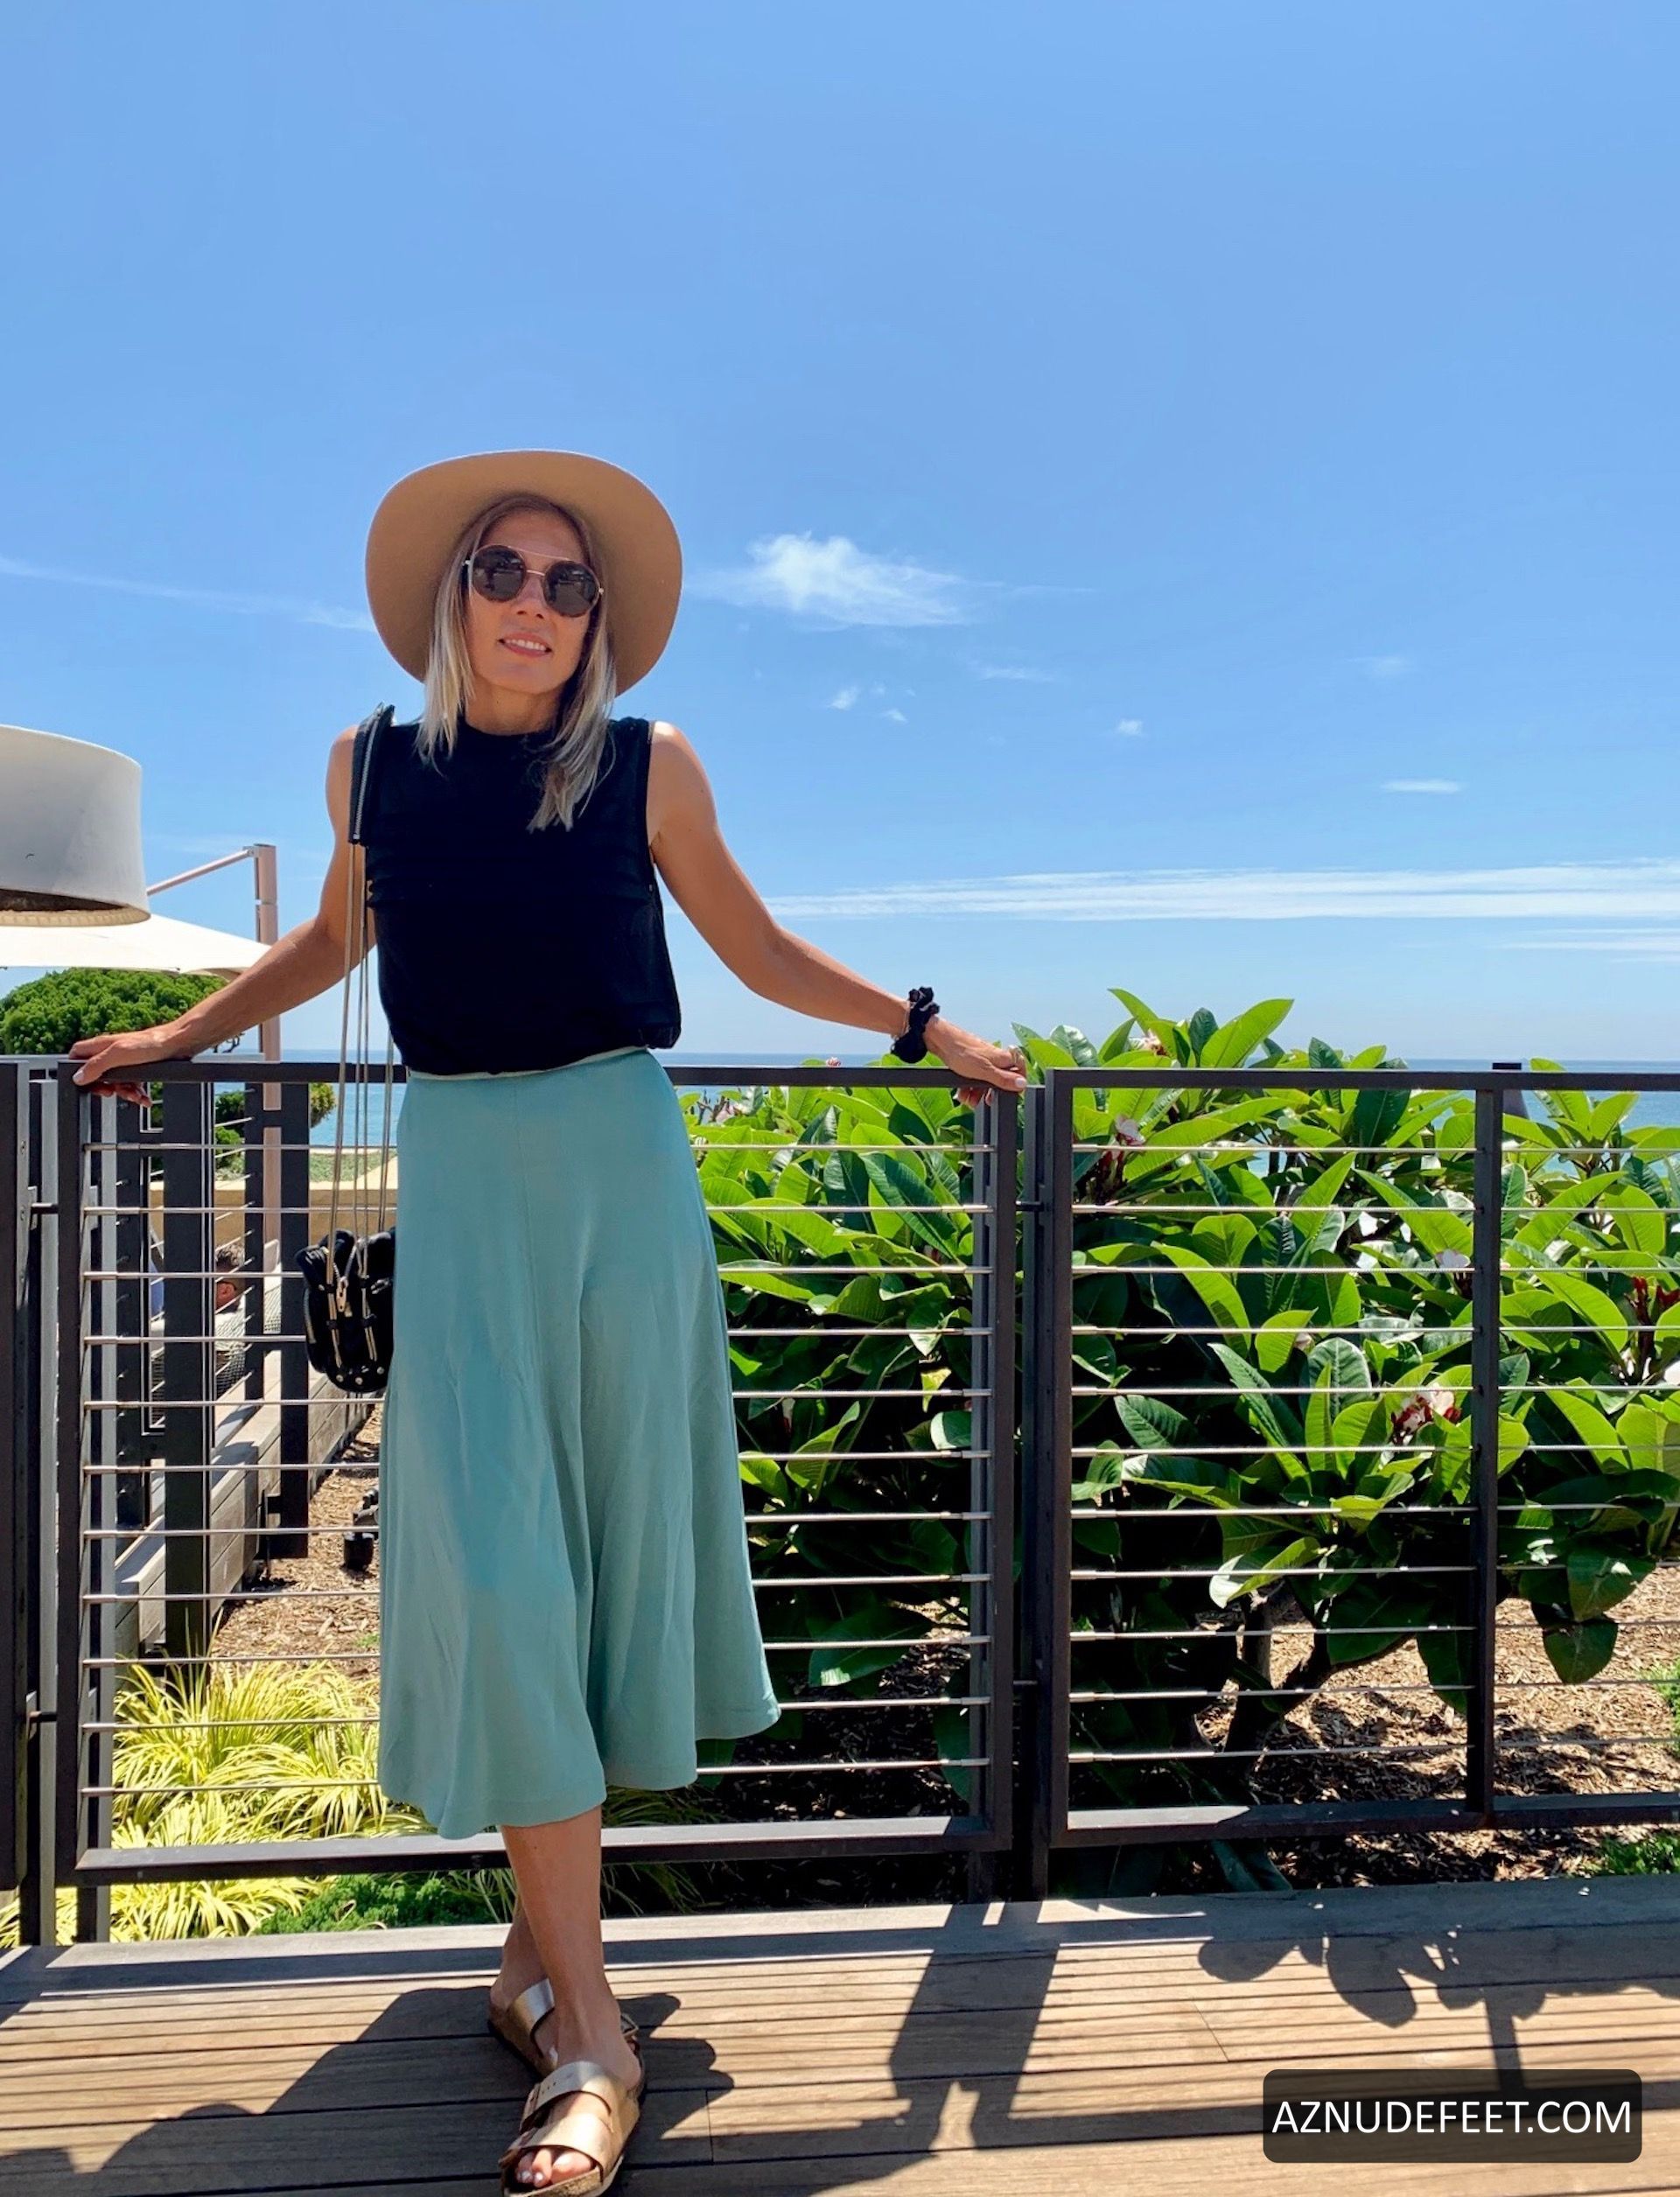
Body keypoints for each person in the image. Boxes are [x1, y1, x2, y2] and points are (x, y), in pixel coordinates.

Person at [67, 447, 1029, 2192]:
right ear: (456, 596)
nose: (532, 602)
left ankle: (540, 1974)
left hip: (619, 1175)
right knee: (504, 1571)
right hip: (464, 1174)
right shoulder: (371, 764)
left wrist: (925, 1026)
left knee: (601, 1564)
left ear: (597, 619)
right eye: (501, 571)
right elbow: (335, 943)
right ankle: (590, 2032)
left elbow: (752, 948)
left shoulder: (652, 766)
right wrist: (178, 1034)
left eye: (565, 582)